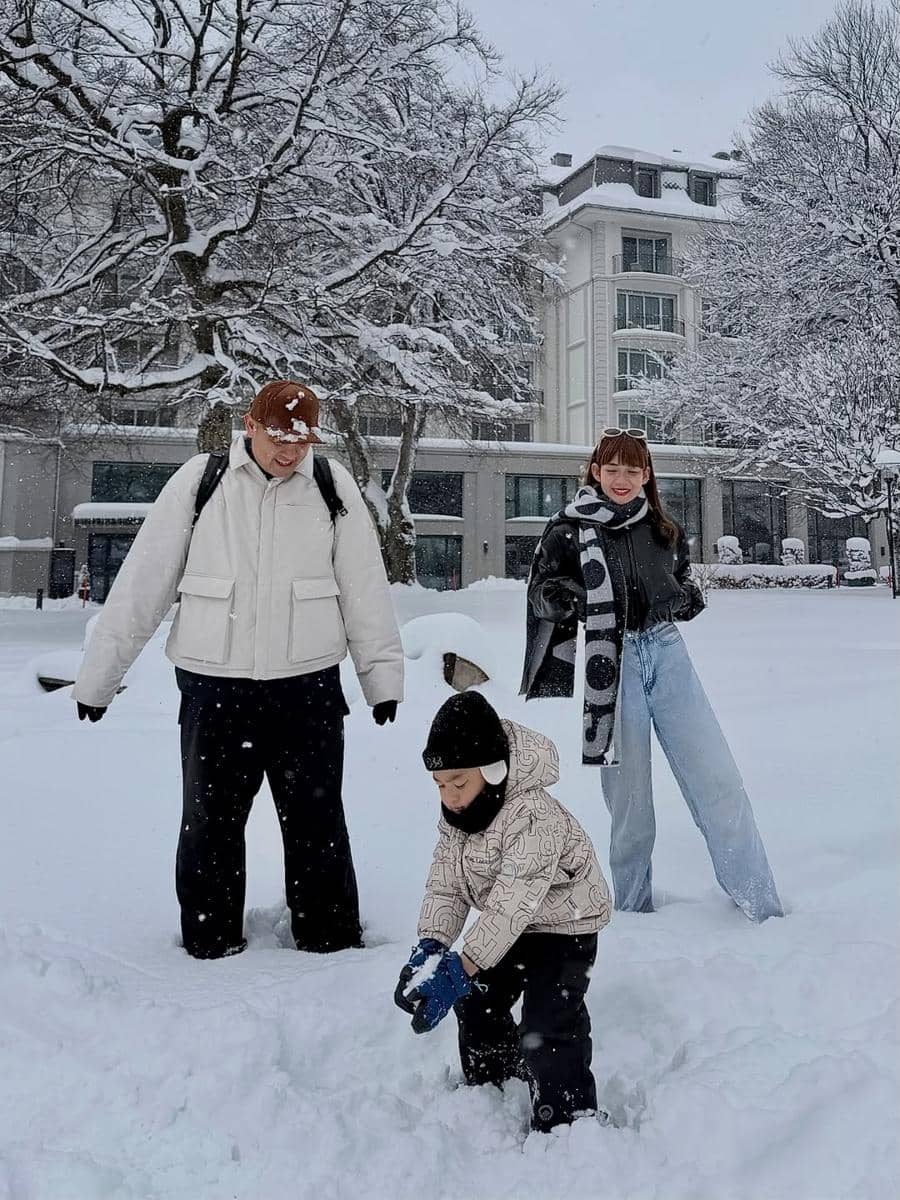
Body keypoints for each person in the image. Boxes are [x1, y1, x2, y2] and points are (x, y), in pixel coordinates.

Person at [73, 380, 404, 959]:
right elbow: (143, 583)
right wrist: (100, 677)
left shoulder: (331, 486)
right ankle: (210, 937)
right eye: (279, 437)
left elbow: (364, 590)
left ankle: (327, 937)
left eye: (301, 441)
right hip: (215, 686)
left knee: (317, 822)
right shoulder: (202, 482)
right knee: (209, 822)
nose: (289, 452)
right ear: (250, 426)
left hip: (308, 687)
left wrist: (381, 679)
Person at [520, 428, 783, 923]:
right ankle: (635, 913)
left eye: (632, 469)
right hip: (610, 661)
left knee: (717, 779)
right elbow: (542, 592)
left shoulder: (663, 528)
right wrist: (584, 601)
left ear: (646, 475)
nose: (622, 479)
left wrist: (684, 600)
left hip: (666, 651)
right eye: (612, 468)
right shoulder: (568, 529)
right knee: (630, 801)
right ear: (596, 472)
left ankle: (760, 903)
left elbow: (684, 586)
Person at [394, 691, 612, 1134]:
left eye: (458, 783)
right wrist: (432, 946)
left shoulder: (531, 815)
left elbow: (513, 903)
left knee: (549, 1024)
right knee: (476, 1001)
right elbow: (447, 884)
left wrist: (464, 965)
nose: (449, 796)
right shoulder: (460, 816)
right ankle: (491, 1082)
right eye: (439, 784)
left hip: (565, 927)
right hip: (512, 928)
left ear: (493, 771)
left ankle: (569, 1118)